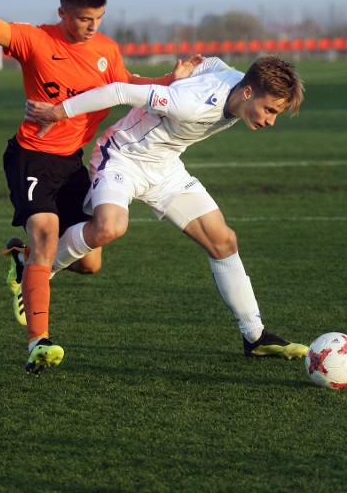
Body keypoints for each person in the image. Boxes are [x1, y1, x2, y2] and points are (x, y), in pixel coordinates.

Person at [0, 0, 202, 375]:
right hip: (32, 157)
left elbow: (127, 84)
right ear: (63, 13)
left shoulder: (106, 50)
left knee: (90, 262)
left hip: (71, 163)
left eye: (98, 18)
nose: (91, 26)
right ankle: (39, 343)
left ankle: (23, 264)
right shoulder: (35, 40)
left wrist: (171, 79)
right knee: (47, 238)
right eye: (83, 18)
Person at [23, 55, 308, 359]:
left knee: (223, 240)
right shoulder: (190, 102)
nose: (270, 121)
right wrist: (57, 112)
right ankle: (36, 269)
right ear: (248, 92)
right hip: (123, 156)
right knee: (109, 227)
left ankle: (255, 337)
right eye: (269, 110)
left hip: (166, 168)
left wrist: (178, 74)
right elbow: (119, 91)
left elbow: (211, 63)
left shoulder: (233, 77)